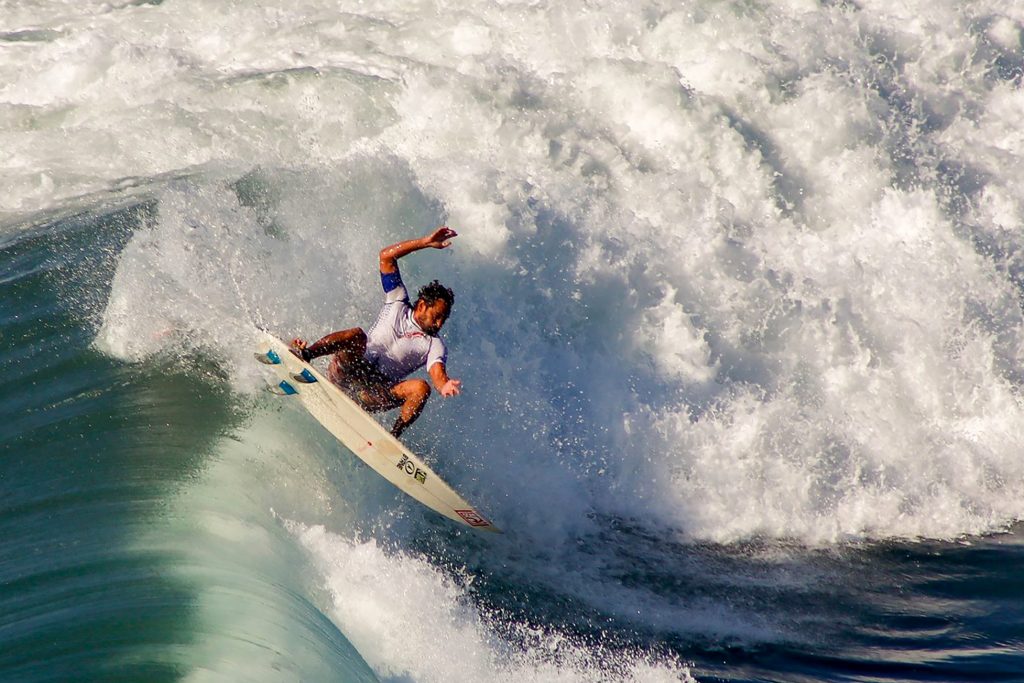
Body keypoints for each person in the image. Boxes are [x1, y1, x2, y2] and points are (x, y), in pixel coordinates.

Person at [290, 227, 462, 438]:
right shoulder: (397, 300)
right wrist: (425, 242)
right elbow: (386, 256)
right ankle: (305, 354)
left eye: (444, 319)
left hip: (372, 393)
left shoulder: (434, 344)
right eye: (437, 316)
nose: (440, 323)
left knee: (421, 388)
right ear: (422, 305)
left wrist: (444, 385)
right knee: (357, 335)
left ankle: (393, 438)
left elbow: (437, 372)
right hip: (347, 370)